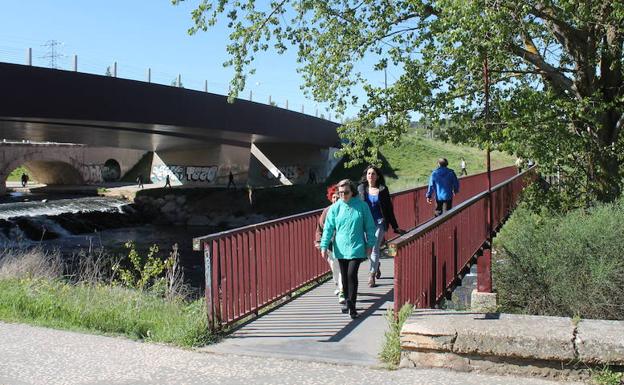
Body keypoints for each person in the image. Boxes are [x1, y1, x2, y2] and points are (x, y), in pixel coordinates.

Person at [320, 179, 377, 319]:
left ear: (352, 192)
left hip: (357, 246)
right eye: (340, 193)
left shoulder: (362, 206)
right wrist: (324, 245)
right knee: (344, 276)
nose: (343, 195)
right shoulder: (335, 208)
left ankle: (352, 305)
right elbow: (328, 228)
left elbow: (370, 226)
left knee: (352, 274)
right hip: (340, 247)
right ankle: (346, 300)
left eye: (346, 192)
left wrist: (370, 244)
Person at [357, 165, 404, 288]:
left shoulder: (383, 190)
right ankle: (376, 265)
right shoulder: (361, 188)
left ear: (377, 176)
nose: (370, 176)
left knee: (374, 248)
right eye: (368, 173)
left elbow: (389, 209)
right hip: (365, 223)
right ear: (365, 176)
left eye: (373, 174)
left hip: (379, 222)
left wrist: (395, 226)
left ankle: (371, 275)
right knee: (368, 248)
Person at [314, 185, 344, 304]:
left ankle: (343, 290)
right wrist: (320, 243)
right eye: (333, 197)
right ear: (331, 198)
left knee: (342, 268)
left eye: (338, 197)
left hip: (343, 245)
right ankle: (337, 284)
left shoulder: (345, 209)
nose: (336, 200)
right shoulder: (326, 211)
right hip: (331, 245)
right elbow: (320, 228)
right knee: (334, 267)